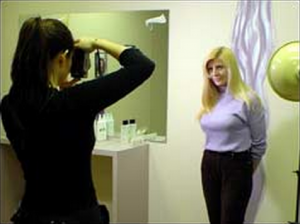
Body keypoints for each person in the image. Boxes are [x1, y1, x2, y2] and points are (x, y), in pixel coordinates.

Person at [0, 16, 155, 224]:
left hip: (31, 215)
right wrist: (97, 42)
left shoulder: (9, 104)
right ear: (62, 59)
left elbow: (44, 129)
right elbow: (142, 65)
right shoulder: (75, 101)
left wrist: (60, 91)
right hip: (78, 217)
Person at [198, 46, 267, 224]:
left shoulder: (249, 99)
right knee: (214, 220)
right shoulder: (210, 98)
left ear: (232, 68)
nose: (214, 73)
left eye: (220, 67)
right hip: (209, 163)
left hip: (236, 164)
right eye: (210, 69)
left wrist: (243, 172)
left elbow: (259, 144)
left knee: (231, 221)